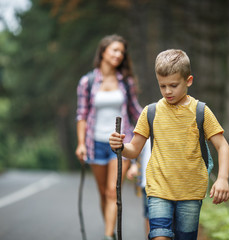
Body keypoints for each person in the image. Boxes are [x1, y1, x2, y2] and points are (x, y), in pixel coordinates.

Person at [109, 49, 229, 240]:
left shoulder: (201, 111)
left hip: (191, 192)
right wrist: (121, 146)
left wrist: (222, 178)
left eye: (173, 85)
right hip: (159, 190)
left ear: (188, 81)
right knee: (159, 236)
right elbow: (133, 150)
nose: (167, 91)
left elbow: (223, 146)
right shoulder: (151, 112)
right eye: (162, 85)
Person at [75, 34, 142, 240]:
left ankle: (107, 236)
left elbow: (135, 111)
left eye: (121, 52)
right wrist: (80, 144)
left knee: (114, 192)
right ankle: (110, 229)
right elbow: (82, 114)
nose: (118, 55)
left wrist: (154, 122)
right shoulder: (87, 82)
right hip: (94, 143)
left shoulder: (126, 82)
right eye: (114, 50)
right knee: (104, 193)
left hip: (120, 143)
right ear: (103, 51)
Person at [126, 138, 151, 239]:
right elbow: (137, 148)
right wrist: (134, 165)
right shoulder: (147, 126)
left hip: (172, 183)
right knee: (149, 217)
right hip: (147, 183)